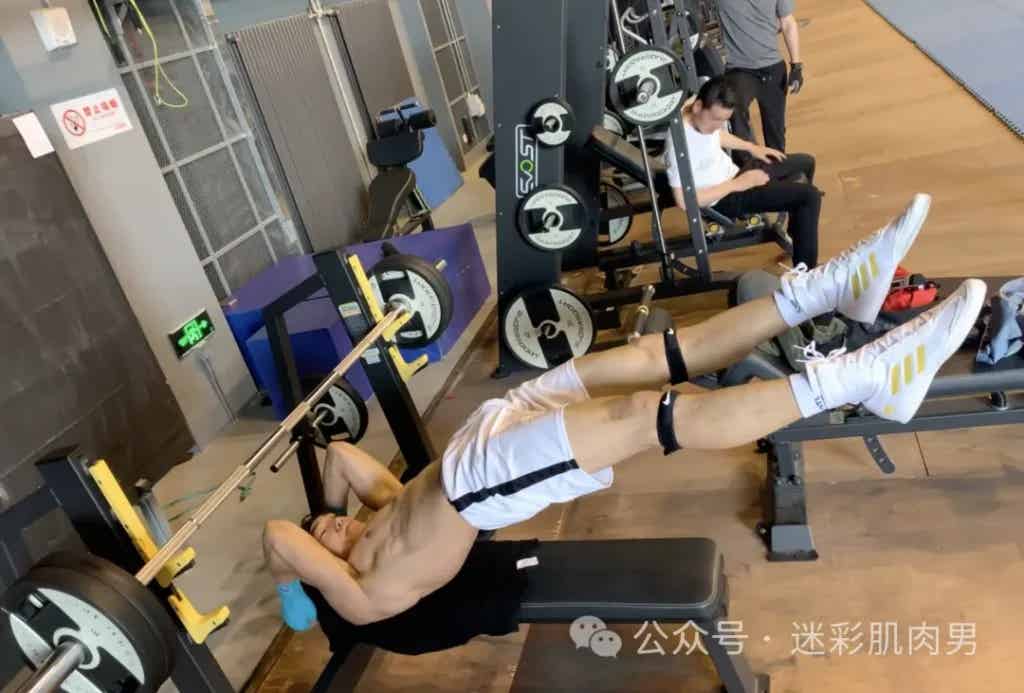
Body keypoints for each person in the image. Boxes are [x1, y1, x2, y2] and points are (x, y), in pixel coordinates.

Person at [263, 194, 985, 630]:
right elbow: (278, 536)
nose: (330, 525)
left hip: (489, 432)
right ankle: (863, 380)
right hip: (484, 483)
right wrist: (293, 583)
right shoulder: (364, 591)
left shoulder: (380, 515)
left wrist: (330, 514)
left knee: (653, 356)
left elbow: (340, 458)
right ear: (323, 573)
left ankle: (826, 291)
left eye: (328, 522)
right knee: (648, 413)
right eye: (326, 536)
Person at [664, 76, 821, 267]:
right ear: (698, 107)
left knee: (806, 162)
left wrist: (752, 147)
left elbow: (717, 136)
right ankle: (806, 276)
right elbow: (683, 201)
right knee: (810, 196)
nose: (717, 126)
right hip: (727, 198)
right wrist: (738, 184)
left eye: (723, 120)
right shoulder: (678, 144)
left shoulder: (696, 112)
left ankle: (798, 234)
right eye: (715, 119)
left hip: (738, 176)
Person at [716, 0, 804, 163]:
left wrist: (796, 66)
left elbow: (788, 22)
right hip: (739, 70)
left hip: (773, 69)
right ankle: (747, 167)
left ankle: (775, 171)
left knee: (776, 135)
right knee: (737, 121)